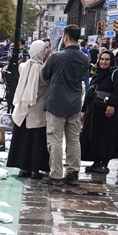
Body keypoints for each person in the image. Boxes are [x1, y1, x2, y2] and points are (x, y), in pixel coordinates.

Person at [42, 24, 88, 185]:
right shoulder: (84, 58)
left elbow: (44, 74)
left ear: (65, 37)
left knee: (55, 140)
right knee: (73, 139)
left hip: (56, 103)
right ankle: (73, 172)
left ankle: (55, 174)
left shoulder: (56, 57)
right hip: (74, 103)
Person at [8, 39, 50, 179]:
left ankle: (23, 168)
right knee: (36, 142)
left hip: (22, 110)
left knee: (23, 141)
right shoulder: (43, 71)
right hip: (38, 112)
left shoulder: (24, 66)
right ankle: (35, 169)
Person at [79, 50, 118, 177]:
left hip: (107, 113)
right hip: (94, 112)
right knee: (92, 136)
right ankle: (96, 162)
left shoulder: (116, 74)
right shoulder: (97, 74)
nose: (104, 62)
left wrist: (112, 104)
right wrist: (83, 110)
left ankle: (104, 163)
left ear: (111, 61)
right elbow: (90, 92)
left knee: (106, 137)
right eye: (102, 59)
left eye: (107, 59)